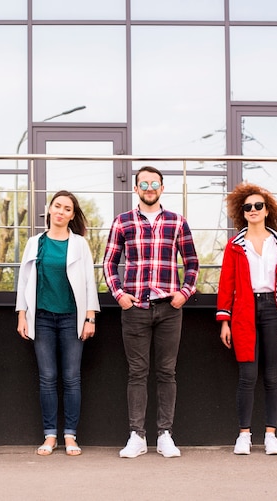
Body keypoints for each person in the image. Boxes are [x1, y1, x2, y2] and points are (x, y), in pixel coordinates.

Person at [103, 166, 199, 458]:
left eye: (153, 183)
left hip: (169, 308)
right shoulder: (122, 222)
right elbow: (109, 263)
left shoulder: (177, 222)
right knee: (137, 373)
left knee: (167, 372)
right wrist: (120, 296)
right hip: (135, 310)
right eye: (143, 183)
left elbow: (192, 263)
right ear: (135, 189)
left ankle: (165, 434)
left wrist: (184, 293)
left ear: (162, 187)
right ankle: (137, 436)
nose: (148, 187)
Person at [216, 183, 277, 456]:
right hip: (244, 311)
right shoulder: (234, 245)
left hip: (274, 310)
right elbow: (226, 283)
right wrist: (224, 320)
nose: (253, 210)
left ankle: (271, 435)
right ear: (243, 212)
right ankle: (244, 435)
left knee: (272, 376)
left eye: (258, 206)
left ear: (267, 210)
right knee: (247, 375)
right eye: (248, 207)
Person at [16, 190, 100, 456]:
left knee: (71, 378)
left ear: (72, 215)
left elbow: (89, 281)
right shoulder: (35, 242)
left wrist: (90, 317)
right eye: (57, 206)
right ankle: (50, 435)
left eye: (67, 209)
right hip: (41, 318)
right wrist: (21, 314)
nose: (61, 212)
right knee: (48, 378)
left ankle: (71, 436)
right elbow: (24, 280)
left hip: (71, 319)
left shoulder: (79, 244)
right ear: (48, 209)